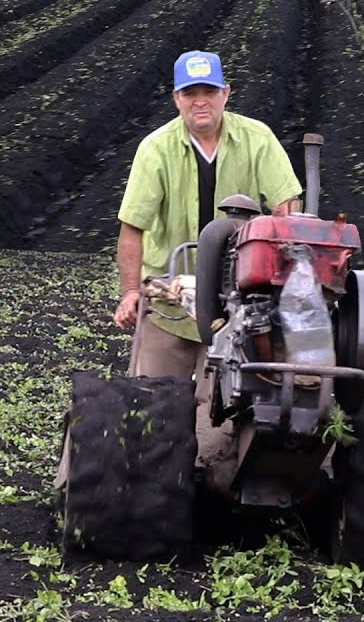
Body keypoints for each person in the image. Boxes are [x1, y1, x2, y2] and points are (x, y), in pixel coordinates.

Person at [114, 50, 303, 487]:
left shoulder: (257, 139)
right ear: (177, 98)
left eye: (210, 92)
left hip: (237, 300)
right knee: (151, 404)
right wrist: (130, 291)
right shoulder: (156, 149)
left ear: (226, 94)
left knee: (224, 405)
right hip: (170, 300)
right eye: (191, 93)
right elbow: (132, 228)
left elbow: (286, 207)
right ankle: (143, 491)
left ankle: (210, 493)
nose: (201, 102)